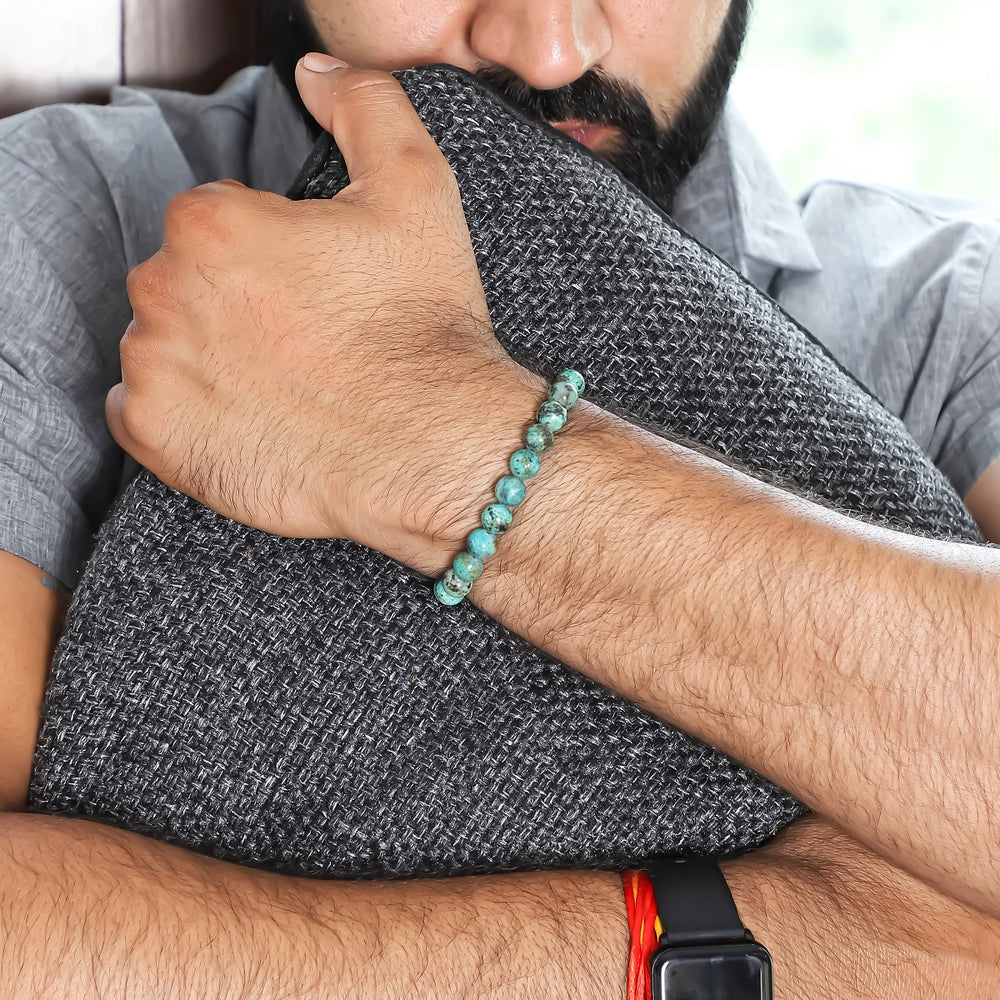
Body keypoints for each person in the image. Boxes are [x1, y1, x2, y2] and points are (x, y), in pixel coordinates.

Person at [1, 0, 999, 996]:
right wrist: (755, 953)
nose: (548, 46)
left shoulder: (950, 326)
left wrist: (455, 443)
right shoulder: (53, 226)